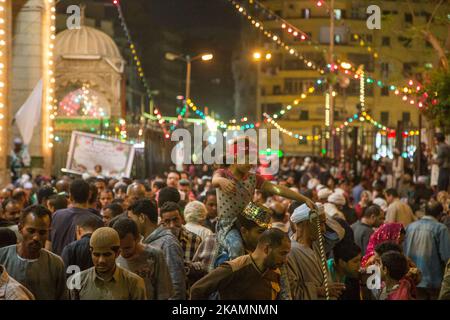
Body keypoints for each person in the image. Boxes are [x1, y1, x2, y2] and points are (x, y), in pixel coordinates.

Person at [212, 137, 314, 265]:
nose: (251, 163)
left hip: (249, 221)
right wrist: (222, 181)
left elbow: (277, 189)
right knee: (236, 247)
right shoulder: (222, 173)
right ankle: (237, 276)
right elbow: (215, 180)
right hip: (227, 225)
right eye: (247, 159)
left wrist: (303, 199)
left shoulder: (253, 178)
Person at [190, 228, 291, 300]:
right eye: (282, 253)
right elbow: (197, 289)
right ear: (267, 249)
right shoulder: (235, 267)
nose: (285, 260)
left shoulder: (274, 272)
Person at [0, 205, 67, 299]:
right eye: (31, 231)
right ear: (20, 228)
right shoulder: (2, 257)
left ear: (49, 232)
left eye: (42, 232)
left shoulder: (56, 264)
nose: (36, 237)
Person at [127, 199, 186, 300]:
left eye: (131, 219)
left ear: (142, 217)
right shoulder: (144, 242)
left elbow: (176, 284)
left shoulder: (167, 243)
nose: (130, 224)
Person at [68, 227, 147, 300]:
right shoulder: (77, 281)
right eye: (96, 254)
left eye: (107, 255)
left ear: (117, 253)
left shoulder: (133, 283)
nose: (101, 260)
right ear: (91, 252)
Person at [287, 203, 345, 300]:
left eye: (324, 223)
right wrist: (320, 291)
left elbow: (339, 232)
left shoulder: (317, 243)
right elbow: (290, 291)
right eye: (319, 224)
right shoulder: (289, 251)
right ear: (302, 224)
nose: (323, 229)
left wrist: (316, 208)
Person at [112, 218, 173, 300]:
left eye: (127, 248)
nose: (122, 252)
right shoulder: (112, 256)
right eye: (119, 248)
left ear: (137, 239)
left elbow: (163, 292)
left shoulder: (154, 255)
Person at [404, 201, 450, 300]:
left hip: (413, 278)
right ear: (440, 214)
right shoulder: (441, 229)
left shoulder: (410, 227)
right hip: (433, 280)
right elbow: (447, 257)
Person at [51, 179, 99, 255]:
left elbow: (48, 245)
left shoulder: (56, 215)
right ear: (89, 195)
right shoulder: (95, 220)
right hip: (79, 266)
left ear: (70, 196)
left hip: (56, 265)